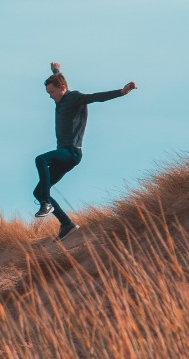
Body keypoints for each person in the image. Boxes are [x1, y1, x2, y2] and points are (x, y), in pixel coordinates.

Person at [35, 61, 136, 239]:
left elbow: (97, 97)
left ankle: (45, 203)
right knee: (39, 191)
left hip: (71, 152)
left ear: (62, 88)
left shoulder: (75, 98)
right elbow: (59, 79)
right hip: (63, 155)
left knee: (40, 160)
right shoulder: (61, 94)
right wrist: (56, 70)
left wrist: (122, 92)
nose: (50, 96)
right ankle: (67, 224)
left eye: (51, 92)